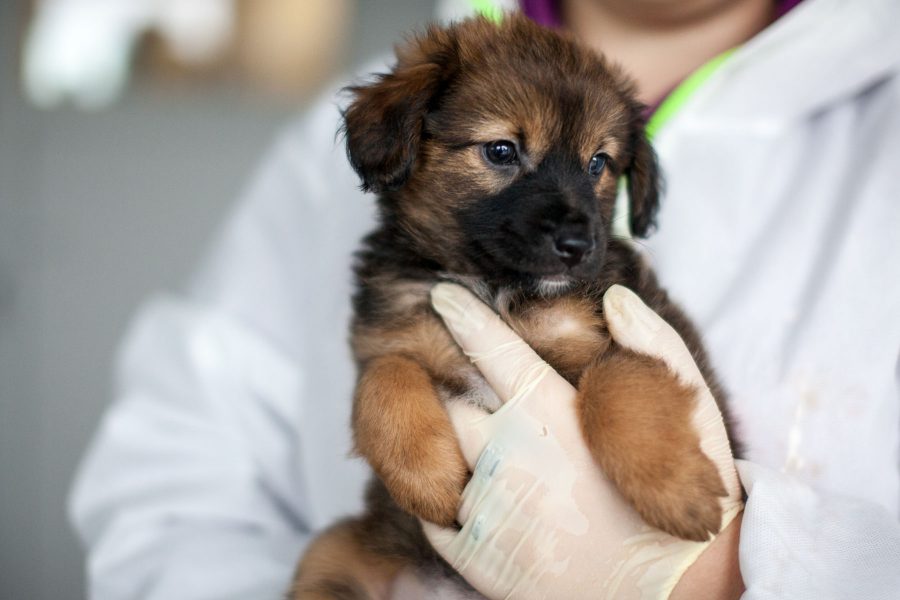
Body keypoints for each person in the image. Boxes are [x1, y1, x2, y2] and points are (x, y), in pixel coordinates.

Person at [69, 0, 900, 598]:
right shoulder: (412, 99)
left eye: (599, 167)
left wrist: (714, 579)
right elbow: (175, 487)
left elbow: (632, 371)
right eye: (503, 152)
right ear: (402, 145)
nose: (572, 222)